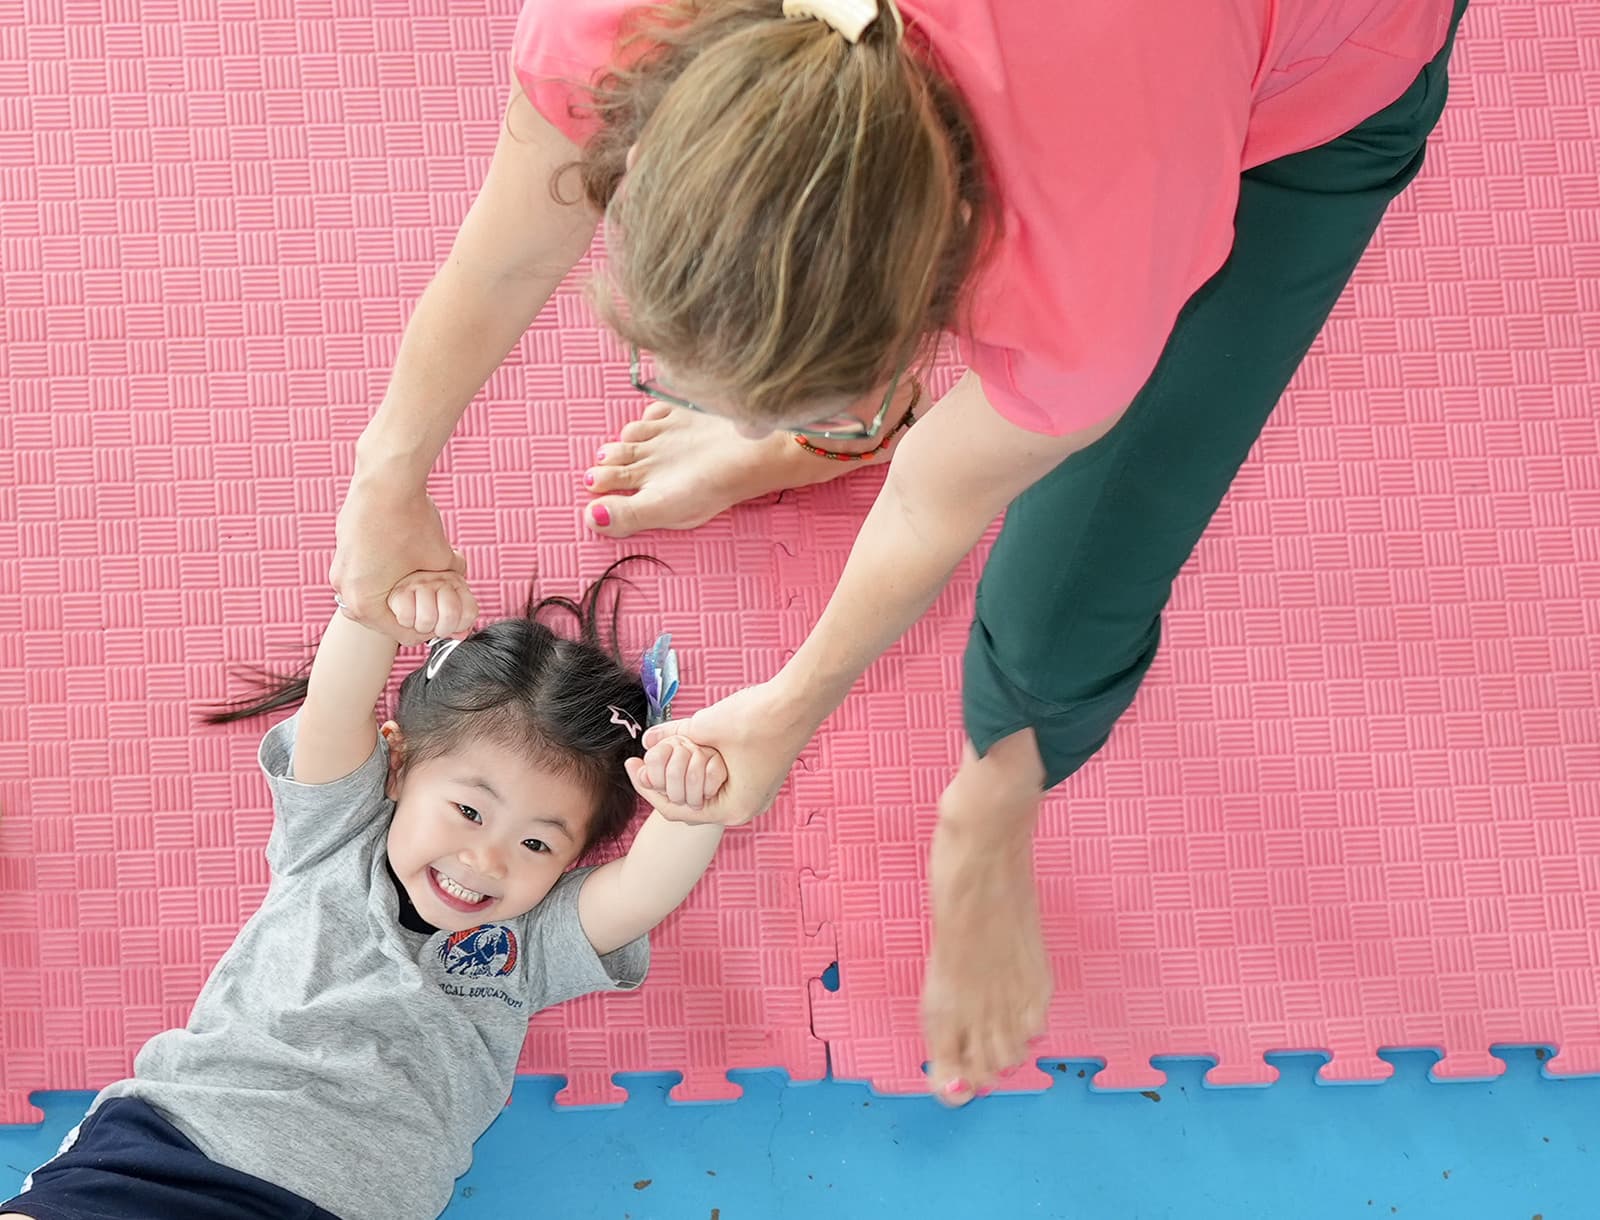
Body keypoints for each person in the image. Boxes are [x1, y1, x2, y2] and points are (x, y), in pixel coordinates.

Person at [330, 0, 1469, 1104]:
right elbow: (506, 251)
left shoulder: (1093, 262)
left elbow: (938, 497)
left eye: (811, 397)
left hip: (1304, 72)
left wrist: (796, 700)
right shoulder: (610, 29)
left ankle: (1000, 794)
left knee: (1058, 616)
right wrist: (387, 476)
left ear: (939, 307)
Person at [1, 562, 726, 1220]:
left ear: (572, 859)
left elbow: (642, 890)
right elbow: (335, 708)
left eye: (537, 843)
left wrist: (694, 807)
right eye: (469, 811)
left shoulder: (530, 942)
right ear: (400, 764)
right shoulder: (336, 832)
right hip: (172, 1147)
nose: (486, 858)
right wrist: (372, 610)